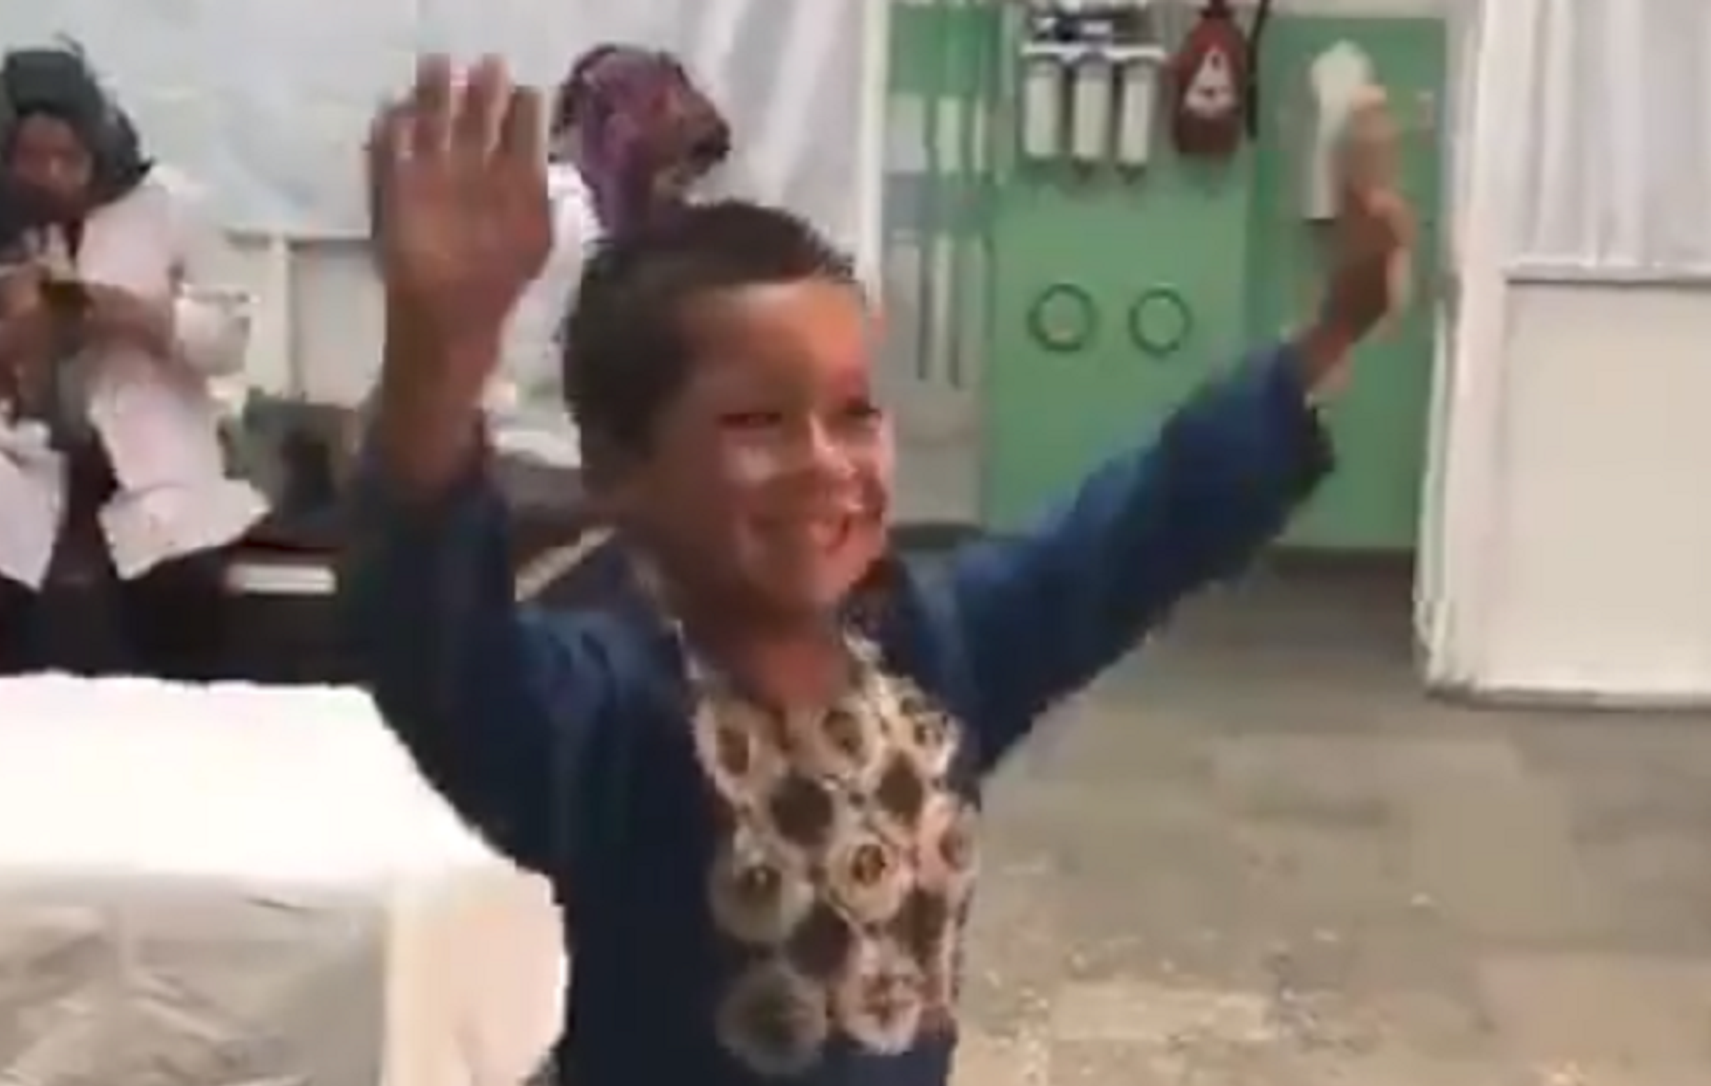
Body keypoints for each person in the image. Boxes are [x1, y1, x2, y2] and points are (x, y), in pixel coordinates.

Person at [341, 56, 1408, 1086]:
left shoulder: (930, 657)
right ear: (620, 469)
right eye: (758, 422)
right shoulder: (609, 711)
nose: (825, 463)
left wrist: (1335, 329)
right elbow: (442, 648)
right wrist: (438, 359)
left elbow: (1136, 530)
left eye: (855, 413)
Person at [0, 45, 266, 676]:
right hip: (20, 453)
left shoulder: (169, 203)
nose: (53, 174)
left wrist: (137, 316)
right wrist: (5, 339)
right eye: (33, 158)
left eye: (68, 156)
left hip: (149, 459)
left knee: (176, 593)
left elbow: (229, 338)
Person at [491, 42, 730, 466]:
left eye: (689, 178)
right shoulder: (565, 211)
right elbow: (529, 359)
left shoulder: (632, 218)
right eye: (672, 173)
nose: (681, 192)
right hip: (530, 442)